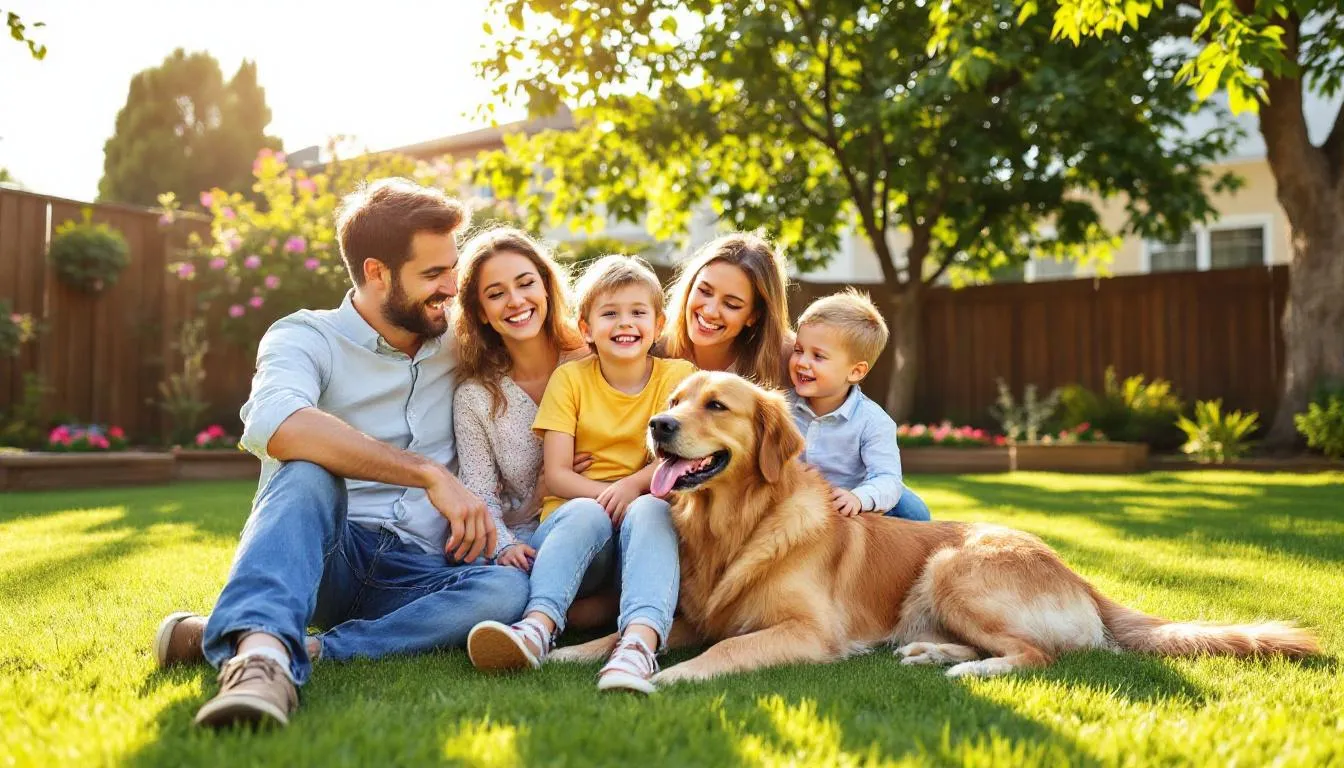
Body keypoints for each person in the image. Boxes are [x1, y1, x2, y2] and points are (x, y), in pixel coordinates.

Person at [152, 178, 529, 729]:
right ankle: (259, 666)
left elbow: (552, 339)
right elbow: (277, 424)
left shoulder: (458, 337)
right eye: (432, 274)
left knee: (505, 588)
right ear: (377, 273)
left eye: (452, 268)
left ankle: (290, 646)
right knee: (305, 471)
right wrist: (426, 473)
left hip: (422, 566)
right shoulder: (306, 337)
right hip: (331, 555)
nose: (452, 287)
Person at [465, 254, 695, 694]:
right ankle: (536, 628)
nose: (624, 323)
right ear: (586, 328)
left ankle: (638, 646)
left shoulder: (678, 377)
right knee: (589, 512)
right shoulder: (570, 380)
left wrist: (631, 487)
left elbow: (677, 457)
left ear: (659, 323)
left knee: (651, 509)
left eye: (637, 313)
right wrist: (612, 495)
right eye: (609, 314)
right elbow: (557, 474)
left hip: (643, 538)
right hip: (573, 531)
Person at [450, 227, 614, 626]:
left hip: (619, 522)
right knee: (573, 522)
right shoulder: (476, 397)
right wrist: (506, 541)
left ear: (546, 288)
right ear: (481, 313)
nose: (516, 301)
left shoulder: (595, 359)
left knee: (591, 516)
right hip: (536, 542)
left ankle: (568, 615)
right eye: (496, 294)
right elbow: (479, 494)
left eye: (526, 284)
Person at [787, 289, 933, 521]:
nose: (802, 362)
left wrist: (858, 498)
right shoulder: (783, 405)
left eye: (818, 356)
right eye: (798, 350)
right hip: (801, 500)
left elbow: (886, 477)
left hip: (854, 501)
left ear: (855, 371)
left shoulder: (873, 421)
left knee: (913, 509)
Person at [657, 232, 793, 389]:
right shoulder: (651, 347)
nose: (710, 311)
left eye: (731, 304)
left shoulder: (790, 359)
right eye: (704, 291)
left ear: (754, 315)